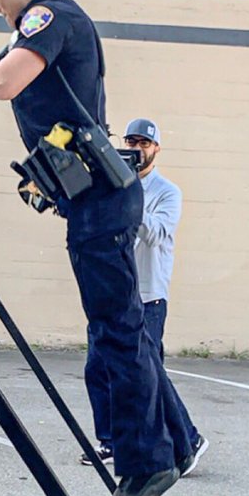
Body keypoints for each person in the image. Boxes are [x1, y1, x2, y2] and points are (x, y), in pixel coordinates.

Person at [0, 0, 196, 496]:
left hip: (102, 205)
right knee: (124, 330)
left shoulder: (49, 15)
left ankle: (147, 464)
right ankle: (179, 444)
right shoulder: (50, 19)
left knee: (116, 332)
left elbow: (4, 82)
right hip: (96, 199)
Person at [81, 118, 207, 474]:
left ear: (156, 149)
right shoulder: (112, 184)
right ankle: (109, 442)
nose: (137, 149)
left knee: (147, 373)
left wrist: (125, 199)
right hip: (112, 292)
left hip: (148, 296)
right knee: (97, 367)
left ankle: (189, 438)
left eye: (144, 144)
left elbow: (157, 233)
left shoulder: (167, 192)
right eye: (132, 142)